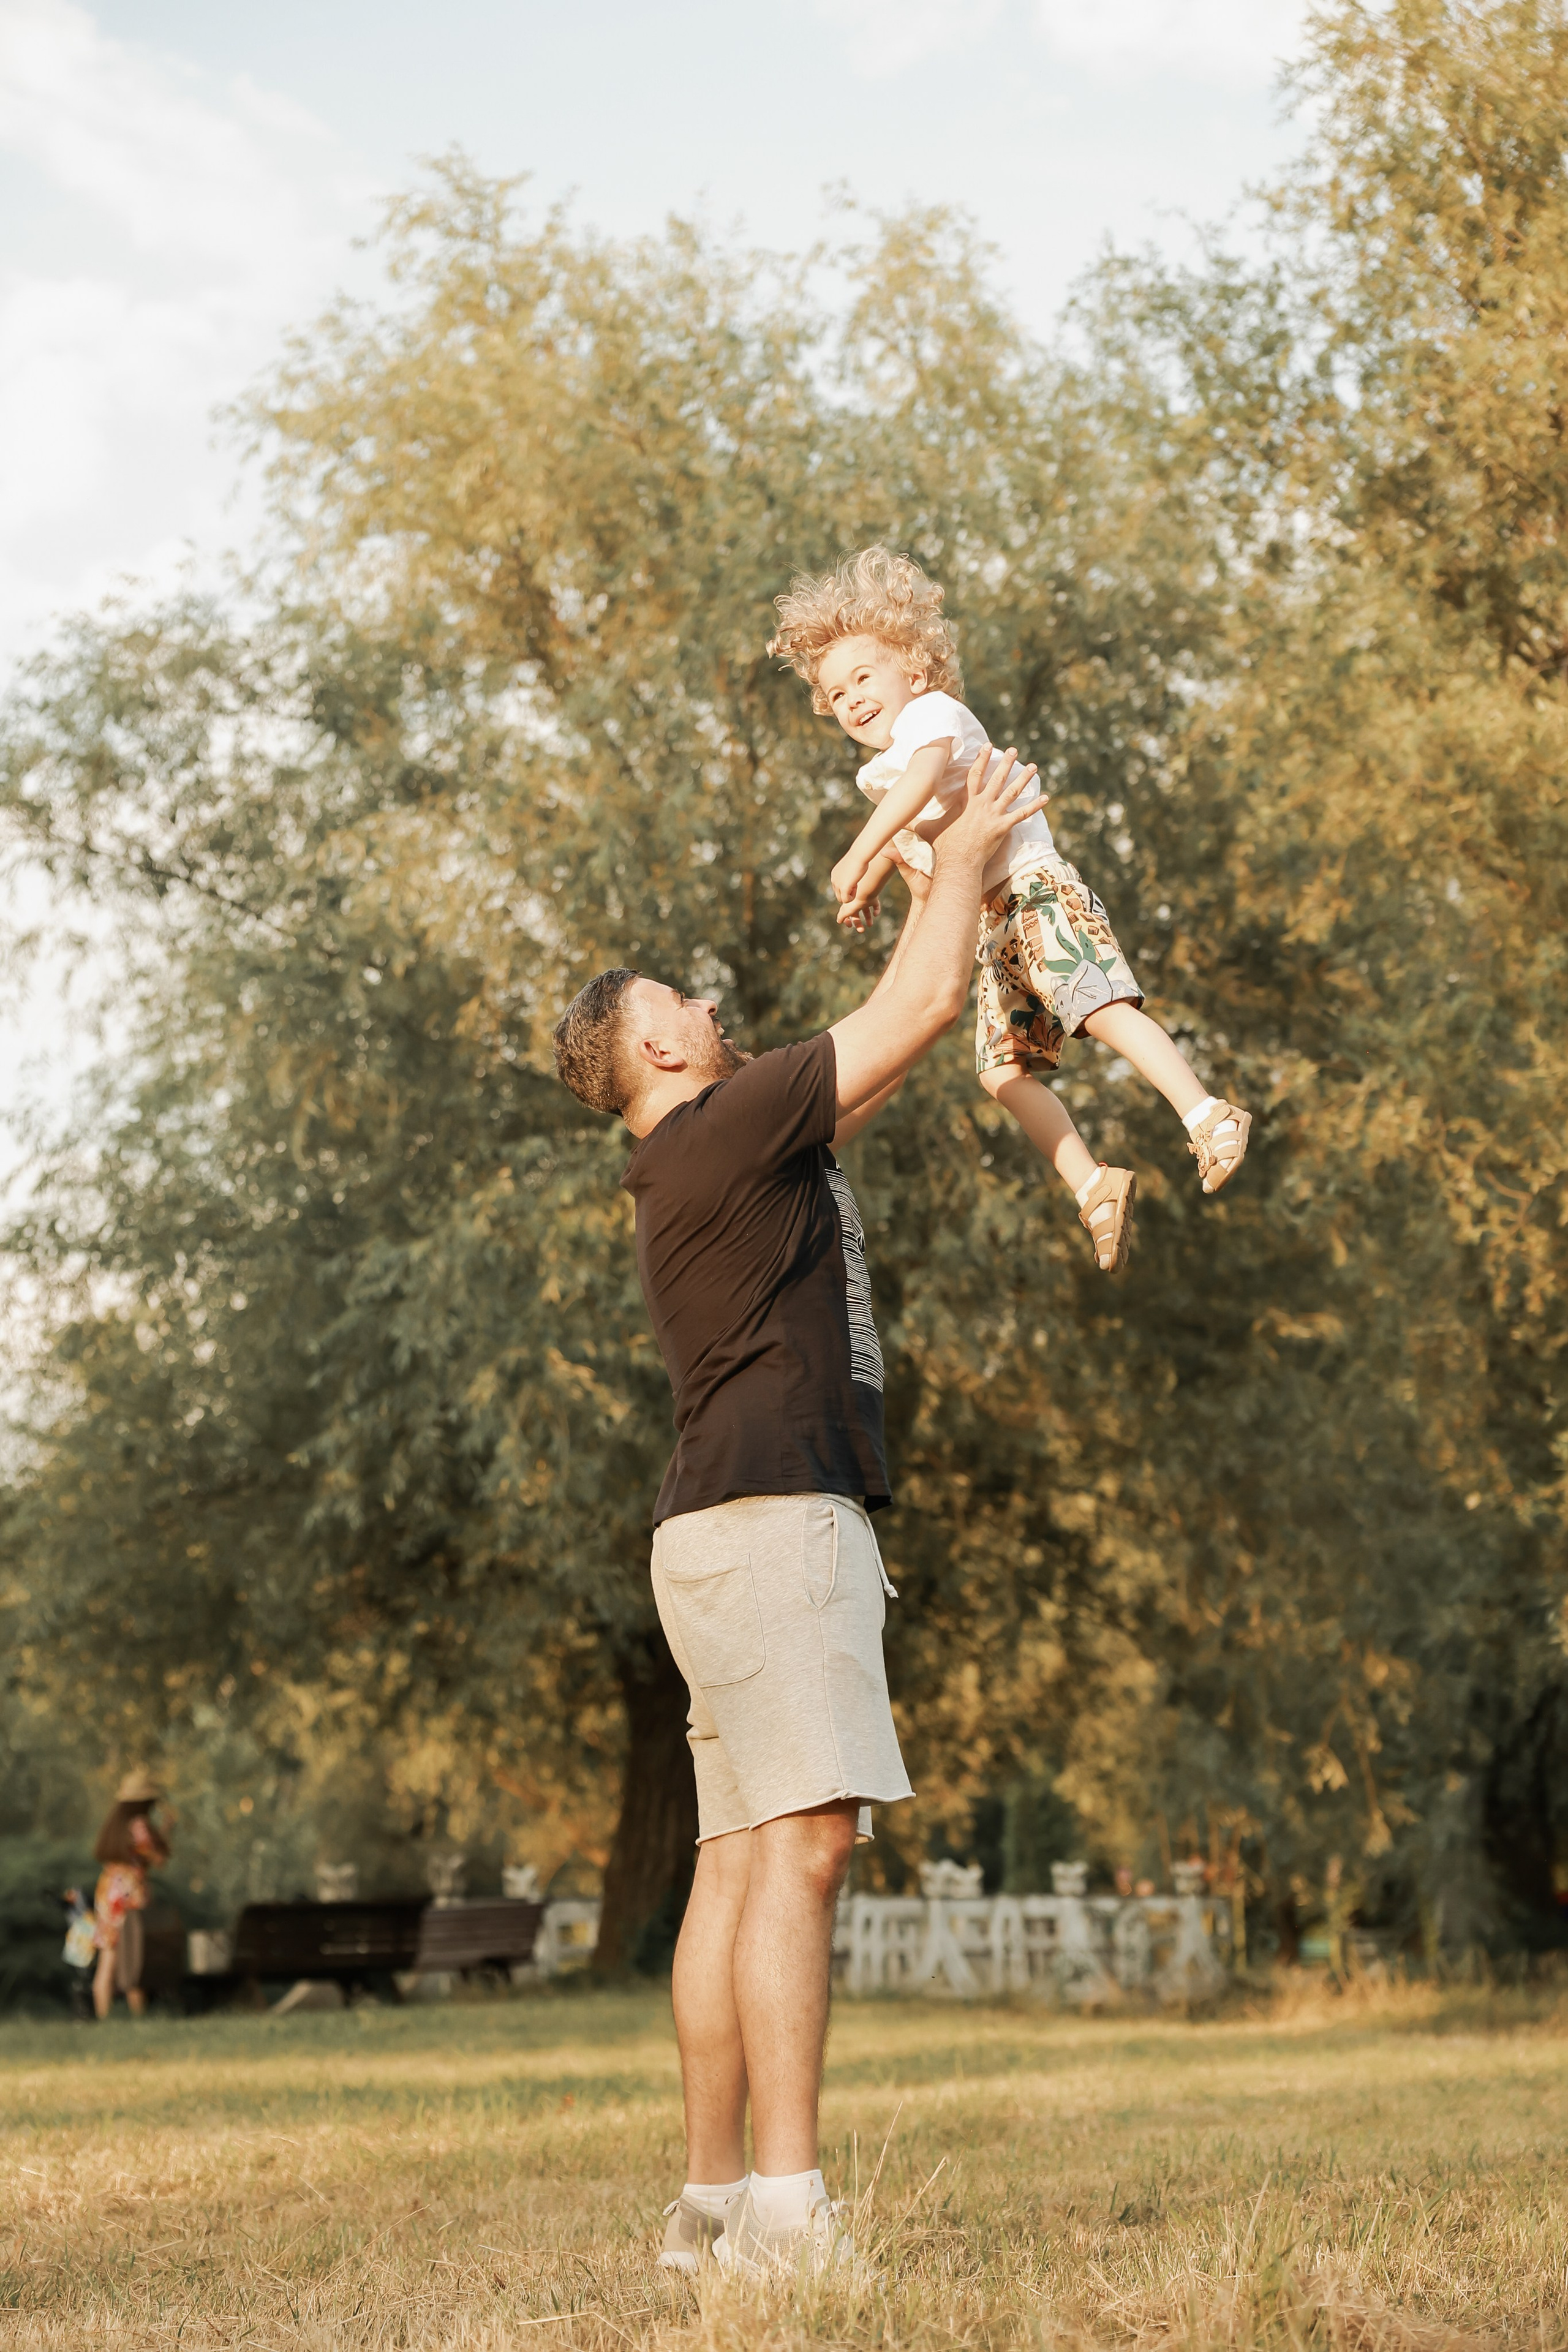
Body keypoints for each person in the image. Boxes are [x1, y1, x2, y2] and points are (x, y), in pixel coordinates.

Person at [551, 744, 1034, 2277]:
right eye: (676, 1001)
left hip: (714, 1529)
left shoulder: (703, 1156)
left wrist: (961, 917)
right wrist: (965, 848)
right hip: (771, 1517)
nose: (705, 999)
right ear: (654, 1051)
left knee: (745, 1855)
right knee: (806, 1845)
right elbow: (909, 1011)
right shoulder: (718, 1126)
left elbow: (899, 1048)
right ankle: (784, 2215)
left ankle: (707, 2208)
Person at [768, 545, 1251, 1273]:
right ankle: (1092, 1184)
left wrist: (858, 852)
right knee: (1001, 1073)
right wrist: (868, 887)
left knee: (1092, 1003)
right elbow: (922, 832)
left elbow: (928, 784)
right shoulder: (882, 775)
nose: (853, 699)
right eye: (836, 695)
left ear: (915, 672)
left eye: (864, 677)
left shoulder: (936, 719)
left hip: (1033, 888)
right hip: (991, 924)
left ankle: (1205, 1112)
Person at [91, 1772, 171, 2019]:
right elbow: (159, 1859)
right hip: (129, 1896)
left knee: (109, 1958)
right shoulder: (140, 1826)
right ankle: (139, 2017)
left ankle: (104, 2019)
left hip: (109, 1892)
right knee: (135, 1960)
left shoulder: (115, 1825)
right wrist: (167, 1829)